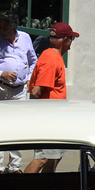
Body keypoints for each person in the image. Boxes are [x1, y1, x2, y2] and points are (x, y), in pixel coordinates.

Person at [0, 14, 38, 171]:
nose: (2, 30)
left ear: (14, 26)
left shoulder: (25, 38)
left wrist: (29, 78)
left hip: (20, 89)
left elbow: (33, 61)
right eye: (0, 26)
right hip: (1, 88)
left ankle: (14, 165)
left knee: (17, 125)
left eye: (5, 27)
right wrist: (1, 74)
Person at [26, 22, 78, 173]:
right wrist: (42, 119)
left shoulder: (54, 57)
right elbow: (36, 91)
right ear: (66, 40)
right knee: (42, 158)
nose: (71, 44)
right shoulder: (50, 59)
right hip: (49, 118)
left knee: (54, 157)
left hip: (55, 117)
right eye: (71, 40)